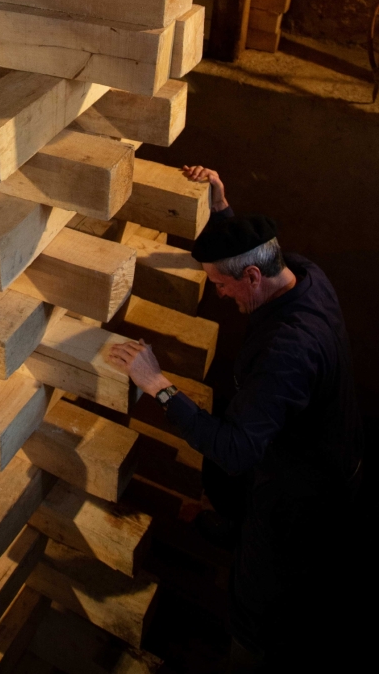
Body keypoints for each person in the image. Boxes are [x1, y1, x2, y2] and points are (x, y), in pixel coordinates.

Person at [110, 166, 363, 671]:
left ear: (251, 276)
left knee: (260, 608)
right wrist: (222, 209)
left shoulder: (286, 352)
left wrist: (157, 384)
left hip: (301, 502)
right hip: (319, 457)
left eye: (222, 286)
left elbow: (233, 449)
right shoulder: (304, 274)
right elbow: (243, 256)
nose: (220, 296)